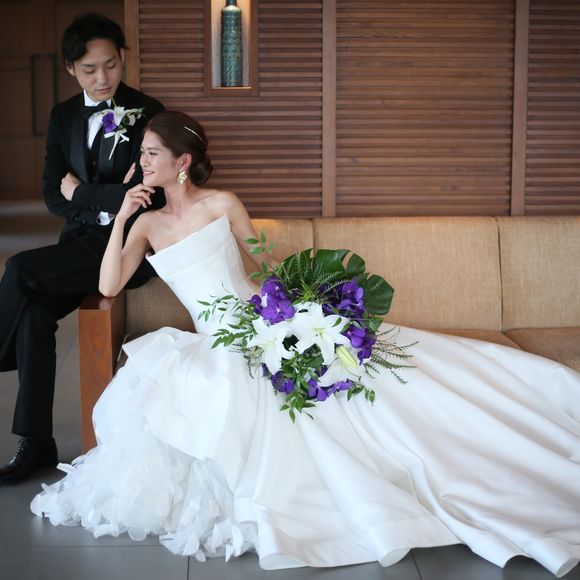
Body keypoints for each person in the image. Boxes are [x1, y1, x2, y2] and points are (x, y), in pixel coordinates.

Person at [31, 111, 580, 577]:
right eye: (142, 153)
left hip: (263, 322)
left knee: (363, 395)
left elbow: (264, 266)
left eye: (152, 153)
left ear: (183, 162)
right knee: (204, 388)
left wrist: (304, 309)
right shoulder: (147, 224)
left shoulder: (221, 203)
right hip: (212, 342)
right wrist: (122, 217)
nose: (142, 162)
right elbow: (108, 286)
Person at [0, 13, 164, 483]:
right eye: (90, 69)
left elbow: (149, 195)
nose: (102, 77)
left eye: (110, 65)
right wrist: (101, 200)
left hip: (127, 248)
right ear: (71, 68)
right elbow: (53, 195)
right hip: (80, 243)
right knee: (33, 315)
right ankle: (37, 442)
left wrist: (84, 194)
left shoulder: (148, 113)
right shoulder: (63, 116)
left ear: (123, 57)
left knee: (19, 269)